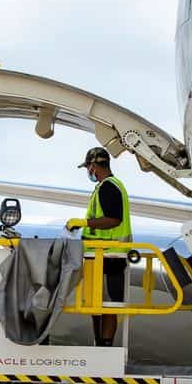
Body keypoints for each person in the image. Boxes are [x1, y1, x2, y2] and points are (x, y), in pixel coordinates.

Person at [64, 146, 132, 347]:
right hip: (102, 255)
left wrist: (83, 223)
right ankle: (100, 342)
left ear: (94, 166)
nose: (88, 171)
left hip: (109, 255)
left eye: (88, 167)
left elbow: (113, 219)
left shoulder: (108, 187)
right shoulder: (109, 186)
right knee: (98, 303)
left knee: (108, 303)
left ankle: (104, 343)